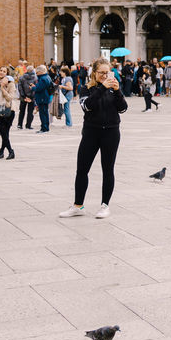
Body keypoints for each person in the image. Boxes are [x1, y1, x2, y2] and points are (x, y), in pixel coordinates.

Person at [58, 58, 127, 220]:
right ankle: (78, 205)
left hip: (111, 132)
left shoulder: (113, 89)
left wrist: (117, 91)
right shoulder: (85, 89)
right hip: (91, 132)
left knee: (108, 169)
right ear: (94, 73)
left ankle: (104, 205)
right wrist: (102, 88)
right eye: (101, 73)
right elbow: (87, 106)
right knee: (82, 169)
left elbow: (123, 109)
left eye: (107, 72)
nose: (105, 75)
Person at [0, 69, 18, 160]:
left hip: (8, 110)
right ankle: (2, 152)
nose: (2, 72)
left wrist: (3, 88)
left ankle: (10, 151)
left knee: (4, 133)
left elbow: (10, 98)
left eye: (4, 71)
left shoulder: (10, 84)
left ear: (7, 74)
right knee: (4, 133)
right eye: (0, 70)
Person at [32, 64, 53, 133]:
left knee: (43, 113)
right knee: (45, 113)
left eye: (37, 72)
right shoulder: (47, 77)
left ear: (41, 72)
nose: (36, 73)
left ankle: (44, 128)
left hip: (42, 97)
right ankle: (46, 127)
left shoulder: (43, 78)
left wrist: (33, 87)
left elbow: (39, 88)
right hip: (45, 97)